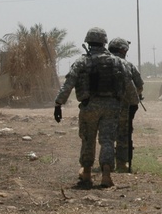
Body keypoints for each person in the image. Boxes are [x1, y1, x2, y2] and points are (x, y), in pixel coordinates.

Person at [54, 27, 137, 188]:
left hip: (89, 106)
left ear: (88, 42)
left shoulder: (82, 61)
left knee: (88, 139)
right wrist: (134, 103)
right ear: (104, 42)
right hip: (112, 107)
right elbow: (129, 85)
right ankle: (106, 175)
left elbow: (68, 83)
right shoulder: (118, 62)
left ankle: (86, 172)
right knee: (107, 140)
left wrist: (58, 104)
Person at [108, 37, 143, 173]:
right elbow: (139, 86)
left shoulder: (101, 63)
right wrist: (133, 99)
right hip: (123, 107)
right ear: (123, 50)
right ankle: (121, 164)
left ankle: (106, 163)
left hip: (103, 106)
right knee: (123, 134)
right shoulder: (128, 65)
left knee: (106, 135)